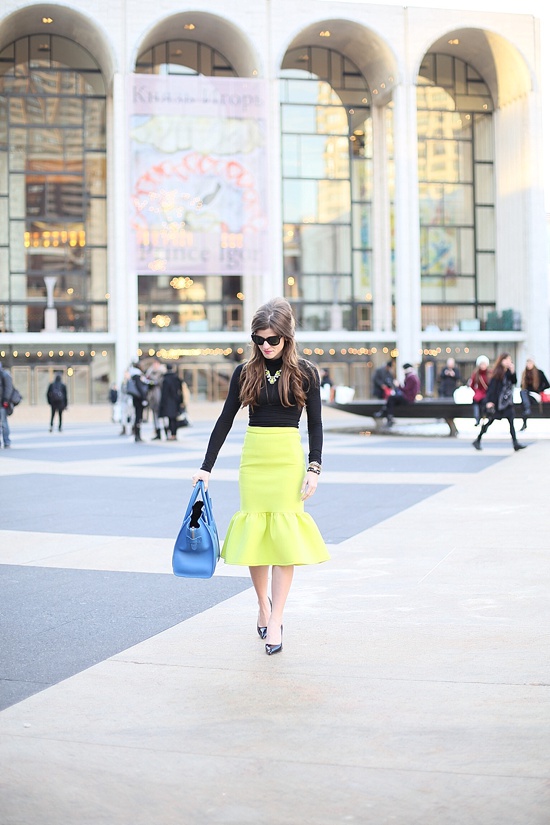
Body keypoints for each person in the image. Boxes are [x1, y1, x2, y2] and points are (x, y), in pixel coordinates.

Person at [192, 297, 330, 656]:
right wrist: (206, 467)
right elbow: (225, 420)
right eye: (258, 340)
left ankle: (277, 617)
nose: (265, 346)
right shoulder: (244, 372)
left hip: (287, 459)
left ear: (287, 337)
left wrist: (314, 468)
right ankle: (264, 607)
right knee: (255, 535)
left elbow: (315, 424)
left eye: (272, 340)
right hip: (254, 459)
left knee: (284, 538)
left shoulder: (306, 372)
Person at [472, 353, 526, 452]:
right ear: (502, 361)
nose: (509, 361)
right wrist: (490, 401)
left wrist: (513, 371)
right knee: (490, 421)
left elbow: (514, 382)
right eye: (506, 359)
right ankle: (478, 439)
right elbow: (492, 389)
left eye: (510, 359)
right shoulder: (497, 372)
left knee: (511, 422)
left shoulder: (509, 372)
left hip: (507, 403)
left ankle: (515, 443)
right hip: (498, 403)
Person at [519, 358, 550, 431]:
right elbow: (522, 386)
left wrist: (539, 389)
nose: (528, 365)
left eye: (530, 363)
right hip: (527, 395)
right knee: (523, 393)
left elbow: (547, 384)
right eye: (527, 363)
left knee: (524, 397)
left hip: (536, 395)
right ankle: (527, 412)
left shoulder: (539, 373)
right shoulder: (525, 374)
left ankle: (527, 411)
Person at [159, 363, 183, 440]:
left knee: (170, 419)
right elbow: (180, 390)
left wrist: (162, 403)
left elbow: (164, 393)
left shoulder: (165, 379)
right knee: (174, 418)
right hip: (176, 400)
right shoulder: (176, 378)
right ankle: (174, 434)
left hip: (168, 401)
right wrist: (181, 400)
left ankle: (171, 434)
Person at [126, 363, 150, 442]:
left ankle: (137, 434)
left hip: (135, 399)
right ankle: (137, 435)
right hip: (139, 400)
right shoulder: (137, 376)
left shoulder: (133, 375)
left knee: (137, 416)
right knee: (138, 417)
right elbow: (140, 388)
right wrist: (144, 398)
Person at [145, 358, 166, 440]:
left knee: (163, 416)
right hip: (153, 398)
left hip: (161, 398)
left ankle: (166, 431)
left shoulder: (162, 373)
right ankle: (158, 432)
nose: (154, 365)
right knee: (155, 416)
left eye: (156, 363)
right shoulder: (149, 373)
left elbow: (160, 383)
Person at [468, 355, 491, 426]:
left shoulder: (490, 373)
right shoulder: (476, 374)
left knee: (484, 402)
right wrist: (476, 391)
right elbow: (472, 384)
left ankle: (484, 417)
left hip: (487, 393)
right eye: (481, 364)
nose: (483, 366)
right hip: (479, 393)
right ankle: (477, 418)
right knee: (475, 400)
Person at [0, 361, 13, 449]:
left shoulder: (4, 375)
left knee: (4, 422)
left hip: (2, 403)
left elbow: (8, 389)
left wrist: (6, 400)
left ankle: (6, 441)